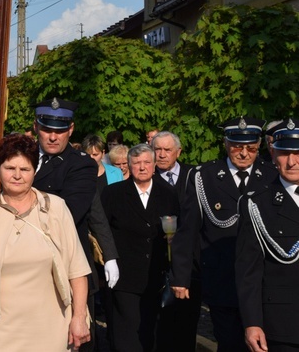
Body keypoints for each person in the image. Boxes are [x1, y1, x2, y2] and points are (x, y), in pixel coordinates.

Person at [0, 134, 91, 351]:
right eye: (10, 168)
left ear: (35, 171)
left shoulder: (55, 208)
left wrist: (79, 317)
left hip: (47, 325)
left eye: (25, 169)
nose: (17, 176)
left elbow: (77, 269)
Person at [171, 117, 276, 352]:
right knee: (229, 342)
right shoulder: (204, 177)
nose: (243, 153)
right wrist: (181, 275)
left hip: (264, 280)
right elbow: (188, 230)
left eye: (250, 147)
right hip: (221, 277)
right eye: (237, 146)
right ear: (226, 143)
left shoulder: (271, 176)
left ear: (258, 145)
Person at [32, 98, 119, 350]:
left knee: (73, 341)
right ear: (36, 126)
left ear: (71, 130)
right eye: (47, 129)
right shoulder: (22, 157)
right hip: (24, 267)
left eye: (60, 131)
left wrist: (109, 253)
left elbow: (71, 212)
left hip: (67, 265)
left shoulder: (80, 163)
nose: (52, 137)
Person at [101, 144, 179, 352]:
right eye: (136, 163)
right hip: (124, 276)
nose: (142, 167)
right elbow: (102, 231)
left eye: (146, 162)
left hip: (157, 277)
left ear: (154, 165)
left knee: (152, 335)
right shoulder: (113, 194)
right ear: (128, 165)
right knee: (126, 336)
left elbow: (177, 231)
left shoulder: (169, 194)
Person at [236, 119, 299, 352]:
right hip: (284, 323)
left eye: (297, 153)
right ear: (273, 156)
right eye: (284, 154)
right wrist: (252, 323)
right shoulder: (256, 204)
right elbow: (248, 271)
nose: (291, 162)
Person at [150, 130, 200, 351]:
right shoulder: (145, 177)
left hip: (191, 262)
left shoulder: (196, 176)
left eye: (167, 150)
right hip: (156, 258)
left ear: (178, 152)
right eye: (157, 149)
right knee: (158, 322)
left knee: (187, 321)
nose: (161, 155)